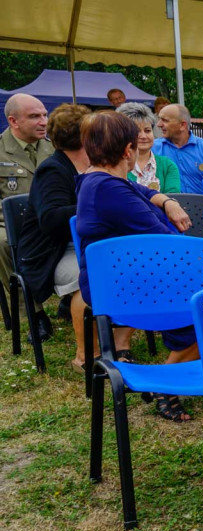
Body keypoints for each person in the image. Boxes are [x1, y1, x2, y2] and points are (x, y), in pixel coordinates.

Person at [75, 111, 197, 422]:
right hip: (129, 289)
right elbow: (169, 243)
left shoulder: (100, 181)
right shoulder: (109, 189)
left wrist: (164, 200)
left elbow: (139, 190)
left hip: (125, 279)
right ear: (128, 151)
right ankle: (166, 382)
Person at [17, 103, 91, 368]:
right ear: (85, 136)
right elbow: (51, 219)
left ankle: (118, 344)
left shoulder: (92, 163)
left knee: (122, 265)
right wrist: (95, 203)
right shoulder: (53, 170)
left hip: (81, 245)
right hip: (51, 252)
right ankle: (85, 355)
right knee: (93, 276)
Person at [0, 93, 54, 338]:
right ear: (14, 121)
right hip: (11, 223)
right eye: (34, 116)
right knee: (2, 243)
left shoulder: (55, 147)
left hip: (50, 218)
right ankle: (33, 313)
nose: (43, 121)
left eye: (44, 114)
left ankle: (74, 297)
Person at [153, 104, 203, 194]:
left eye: (165, 120)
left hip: (201, 207)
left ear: (182, 125)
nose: (159, 124)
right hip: (164, 207)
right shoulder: (153, 148)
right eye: (159, 119)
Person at [117, 103, 181, 194]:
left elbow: (172, 200)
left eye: (147, 131)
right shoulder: (114, 166)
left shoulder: (167, 166)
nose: (143, 136)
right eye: (137, 132)